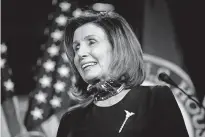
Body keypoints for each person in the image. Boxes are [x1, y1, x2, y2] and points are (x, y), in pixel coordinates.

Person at [57, 10, 189, 137]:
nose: (80, 54)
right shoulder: (70, 119)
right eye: (76, 48)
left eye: (91, 42)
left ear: (117, 47)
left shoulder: (154, 98)